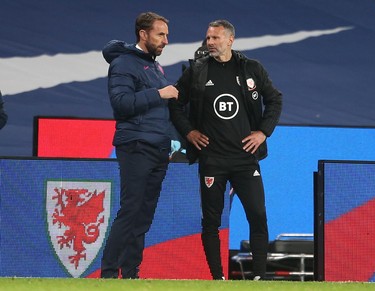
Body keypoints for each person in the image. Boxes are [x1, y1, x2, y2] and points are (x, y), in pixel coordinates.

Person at [169, 20, 282, 280]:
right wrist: (188, 132)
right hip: (212, 160)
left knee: (258, 215)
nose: (210, 42)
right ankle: (217, 279)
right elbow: (175, 104)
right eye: (208, 38)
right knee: (211, 222)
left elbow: (275, 99)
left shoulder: (251, 69)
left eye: (215, 38)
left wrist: (263, 132)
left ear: (230, 40)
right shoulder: (196, 71)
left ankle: (261, 278)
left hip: (245, 159)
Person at [100, 11, 178, 279]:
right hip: (135, 145)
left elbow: (161, 113)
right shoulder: (123, 63)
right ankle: (109, 274)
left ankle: (131, 274)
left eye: (167, 34)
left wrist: (170, 144)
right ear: (143, 34)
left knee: (144, 215)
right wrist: (159, 93)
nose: (166, 40)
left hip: (157, 148)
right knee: (131, 210)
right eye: (161, 34)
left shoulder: (155, 66)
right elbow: (121, 105)